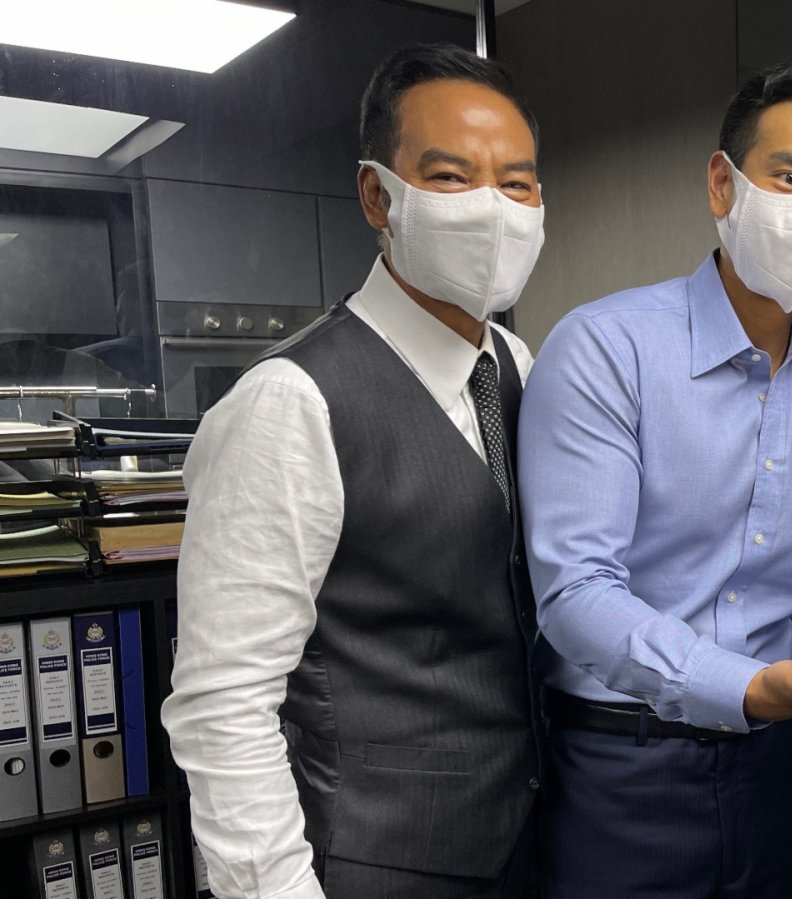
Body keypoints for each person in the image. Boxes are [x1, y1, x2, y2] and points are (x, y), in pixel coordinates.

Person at [521, 63, 792, 898]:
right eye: (791, 177)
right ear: (722, 182)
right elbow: (575, 591)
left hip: (772, 763)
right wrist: (742, 686)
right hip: (618, 763)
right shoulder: (607, 349)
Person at [163, 45, 547, 899]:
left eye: (518, 184)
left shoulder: (517, 365)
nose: (494, 208)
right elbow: (224, 702)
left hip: (527, 842)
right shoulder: (288, 402)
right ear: (379, 195)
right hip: (376, 862)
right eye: (451, 177)